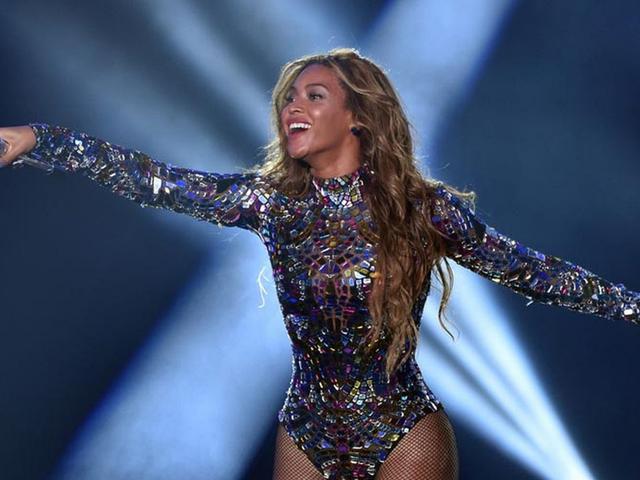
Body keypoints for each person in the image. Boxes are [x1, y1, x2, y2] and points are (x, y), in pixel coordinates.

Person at [0, 48, 638, 480]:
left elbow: (535, 273)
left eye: (313, 95)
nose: (292, 108)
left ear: (358, 116)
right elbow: (153, 181)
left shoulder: (423, 210)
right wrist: (42, 141)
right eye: (287, 99)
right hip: (305, 429)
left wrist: (633, 306)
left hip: (401, 429)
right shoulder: (271, 203)